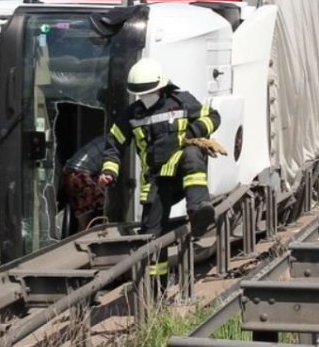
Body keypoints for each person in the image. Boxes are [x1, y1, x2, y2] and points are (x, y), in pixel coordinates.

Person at [99, 58, 220, 290]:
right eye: (139, 94)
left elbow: (213, 116)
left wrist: (194, 131)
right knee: (152, 235)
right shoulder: (131, 115)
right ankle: (156, 290)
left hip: (182, 170)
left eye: (149, 92)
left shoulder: (181, 101)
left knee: (193, 153)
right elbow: (114, 144)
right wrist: (108, 171)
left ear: (160, 87)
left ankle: (199, 209)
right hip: (156, 180)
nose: (144, 97)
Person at [62, 135, 108, 233]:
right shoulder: (115, 144)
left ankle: (82, 238)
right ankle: (83, 241)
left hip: (74, 173)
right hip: (80, 174)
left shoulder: (106, 139)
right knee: (99, 209)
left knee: (86, 214)